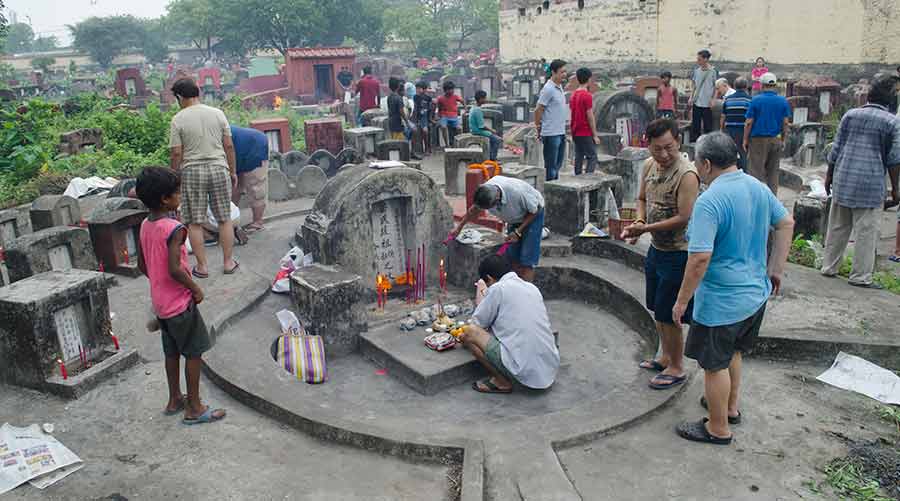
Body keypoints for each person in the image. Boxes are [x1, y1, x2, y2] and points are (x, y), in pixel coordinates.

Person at [672, 132, 794, 445]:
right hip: (755, 296)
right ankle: (730, 407)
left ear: (707, 164)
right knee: (733, 352)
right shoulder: (758, 187)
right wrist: (775, 269)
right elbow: (786, 223)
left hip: (723, 300)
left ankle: (717, 427)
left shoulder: (710, 201)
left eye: (697, 162)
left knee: (713, 366)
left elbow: (699, 258)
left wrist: (682, 300)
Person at [136, 166, 226, 425]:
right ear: (165, 199)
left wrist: (159, 285)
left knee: (172, 352)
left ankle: (175, 398)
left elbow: (143, 265)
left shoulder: (145, 225)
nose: (180, 196)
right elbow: (176, 268)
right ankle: (195, 408)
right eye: (177, 193)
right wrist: (195, 289)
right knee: (194, 352)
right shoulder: (174, 228)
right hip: (179, 304)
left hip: (161, 304)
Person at [621, 118, 700, 390]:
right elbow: (642, 199)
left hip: (678, 252)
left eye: (669, 148)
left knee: (671, 314)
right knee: (657, 307)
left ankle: (677, 366)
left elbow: (684, 217)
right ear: (648, 146)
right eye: (657, 149)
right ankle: (665, 356)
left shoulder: (687, 174)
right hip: (656, 248)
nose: (664, 155)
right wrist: (640, 221)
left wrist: (644, 229)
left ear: (678, 141)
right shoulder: (648, 165)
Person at [822, 75, 900, 288]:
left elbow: (835, 148)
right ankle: (860, 277)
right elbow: (894, 159)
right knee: (866, 232)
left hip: (843, 177)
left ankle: (829, 266)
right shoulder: (892, 121)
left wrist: (829, 176)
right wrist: (896, 190)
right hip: (871, 182)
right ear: (890, 101)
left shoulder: (850, 115)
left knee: (837, 227)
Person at [455, 255, 559, 394]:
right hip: (550, 366)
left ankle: (501, 382)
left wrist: (461, 337)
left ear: (490, 279)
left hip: (524, 369)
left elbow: (477, 324)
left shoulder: (498, 288)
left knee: (470, 333)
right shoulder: (532, 287)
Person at [168, 78, 239, 278]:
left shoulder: (178, 119)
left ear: (180, 97)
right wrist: (232, 171)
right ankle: (228, 262)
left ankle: (202, 267)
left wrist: (174, 176)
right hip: (218, 168)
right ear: (197, 92)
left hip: (192, 171)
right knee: (224, 218)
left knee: (194, 222)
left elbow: (175, 153)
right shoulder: (217, 113)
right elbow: (229, 145)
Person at [452, 176, 544, 282]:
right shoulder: (485, 191)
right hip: (514, 218)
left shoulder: (516, 192)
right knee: (512, 256)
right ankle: (514, 286)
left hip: (532, 215)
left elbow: (537, 209)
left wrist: (518, 231)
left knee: (527, 259)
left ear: (497, 200)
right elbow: (473, 210)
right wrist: (459, 228)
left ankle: (527, 291)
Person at [742, 72, 791, 194]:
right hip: (776, 138)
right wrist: (784, 139)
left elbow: (748, 122)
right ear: (775, 85)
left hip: (758, 139)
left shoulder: (756, 100)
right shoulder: (783, 101)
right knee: (773, 172)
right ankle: (772, 199)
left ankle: (755, 198)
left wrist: (745, 139)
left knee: (755, 171)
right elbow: (785, 123)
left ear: (762, 85)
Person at [229, 125, 269, 233]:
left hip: (255, 146)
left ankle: (258, 222)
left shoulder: (214, 130)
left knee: (256, 187)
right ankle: (230, 218)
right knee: (234, 187)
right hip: (237, 153)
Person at [535, 59, 568, 181]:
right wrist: (538, 127)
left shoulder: (559, 87)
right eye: (562, 72)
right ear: (554, 72)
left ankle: (556, 189)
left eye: (565, 71)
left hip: (560, 131)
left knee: (557, 166)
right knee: (551, 167)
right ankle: (550, 191)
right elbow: (538, 109)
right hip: (551, 133)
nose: (565, 74)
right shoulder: (548, 89)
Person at [570, 67, 600, 175]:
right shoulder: (587, 95)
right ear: (589, 79)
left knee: (579, 155)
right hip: (585, 131)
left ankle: (577, 177)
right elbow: (590, 116)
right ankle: (587, 180)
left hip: (575, 131)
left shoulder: (573, 95)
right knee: (592, 157)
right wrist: (595, 135)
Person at [721, 77, 752, 171]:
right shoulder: (749, 100)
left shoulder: (728, 99)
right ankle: (744, 174)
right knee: (744, 153)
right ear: (746, 87)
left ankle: (730, 172)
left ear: (735, 86)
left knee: (729, 153)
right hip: (743, 130)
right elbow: (750, 119)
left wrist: (721, 129)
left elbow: (723, 116)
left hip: (729, 130)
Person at [688, 50, 718, 140]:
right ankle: (694, 143)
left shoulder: (713, 71)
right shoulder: (696, 71)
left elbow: (716, 87)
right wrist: (691, 97)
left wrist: (713, 100)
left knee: (707, 126)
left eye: (699, 59)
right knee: (695, 125)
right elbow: (694, 86)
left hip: (707, 103)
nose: (698, 61)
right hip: (697, 101)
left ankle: (708, 143)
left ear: (706, 59)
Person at [470, 90, 503, 161]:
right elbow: (481, 126)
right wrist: (492, 130)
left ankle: (490, 156)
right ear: (480, 99)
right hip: (477, 131)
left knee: (493, 137)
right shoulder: (477, 110)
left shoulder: (474, 107)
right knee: (497, 140)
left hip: (475, 129)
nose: (485, 100)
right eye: (484, 98)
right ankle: (492, 159)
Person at [437, 80, 465, 148]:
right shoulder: (441, 98)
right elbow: (439, 107)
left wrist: (465, 109)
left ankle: (458, 143)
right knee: (443, 127)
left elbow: (462, 101)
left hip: (453, 115)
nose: (451, 91)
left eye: (452, 89)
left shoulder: (455, 96)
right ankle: (447, 144)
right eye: (449, 89)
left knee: (459, 128)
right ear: (445, 90)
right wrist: (439, 115)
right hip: (444, 115)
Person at [413, 81, 435, 156]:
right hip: (419, 117)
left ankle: (427, 148)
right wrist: (415, 120)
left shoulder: (428, 98)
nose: (417, 90)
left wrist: (431, 117)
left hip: (425, 117)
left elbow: (432, 107)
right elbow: (415, 109)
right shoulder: (415, 97)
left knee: (425, 131)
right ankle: (420, 149)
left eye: (419, 89)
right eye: (417, 89)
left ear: (425, 90)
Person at [387, 77, 410, 141]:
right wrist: (407, 122)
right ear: (398, 86)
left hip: (391, 121)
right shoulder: (398, 98)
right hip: (397, 122)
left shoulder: (389, 97)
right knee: (399, 142)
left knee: (394, 139)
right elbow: (401, 112)